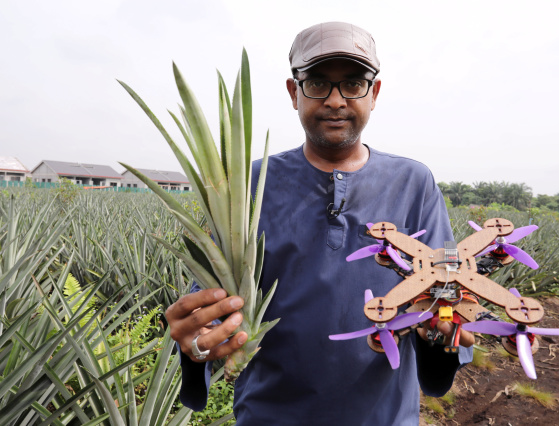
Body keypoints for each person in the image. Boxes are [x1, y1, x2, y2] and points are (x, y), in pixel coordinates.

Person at [166, 21, 474, 425]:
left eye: (352, 84)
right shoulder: (248, 185)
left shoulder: (413, 183)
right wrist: (195, 344)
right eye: (316, 83)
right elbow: (207, 320)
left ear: (374, 93)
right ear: (294, 93)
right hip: (270, 416)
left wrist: (442, 333)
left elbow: (440, 300)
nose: (335, 100)